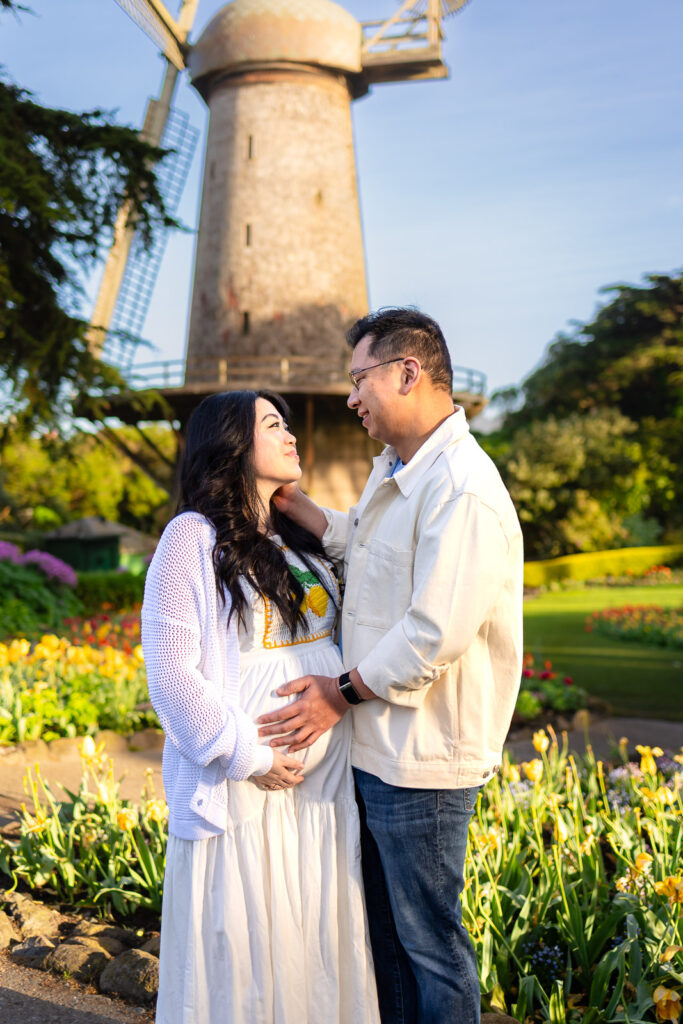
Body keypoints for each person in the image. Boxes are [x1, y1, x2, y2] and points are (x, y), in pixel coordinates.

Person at [259, 308, 524, 1024]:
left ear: (407, 373)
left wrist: (335, 694)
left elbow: (432, 633)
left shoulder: (461, 488)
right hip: (382, 752)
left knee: (430, 948)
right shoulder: (399, 469)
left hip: (423, 760)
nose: (350, 398)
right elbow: (363, 551)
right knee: (388, 943)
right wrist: (294, 505)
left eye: (359, 380)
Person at [141, 390, 379, 1024]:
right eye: (273, 424)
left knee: (313, 945)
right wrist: (250, 756)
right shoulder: (192, 537)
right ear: (233, 444)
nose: (292, 436)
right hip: (247, 792)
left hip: (321, 798)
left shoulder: (299, 542)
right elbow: (170, 676)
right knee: (246, 947)